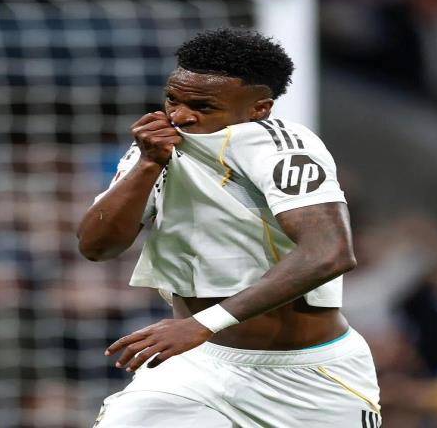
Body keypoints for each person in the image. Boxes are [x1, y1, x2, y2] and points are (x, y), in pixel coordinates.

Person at [78, 28, 381, 428]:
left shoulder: (283, 147)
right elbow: (96, 247)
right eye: (173, 99)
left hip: (307, 378)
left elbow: (329, 252)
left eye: (203, 106)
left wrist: (202, 324)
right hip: (195, 366)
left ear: (259, 108)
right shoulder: (154, 144)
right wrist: (148, 164)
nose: (180, 116)